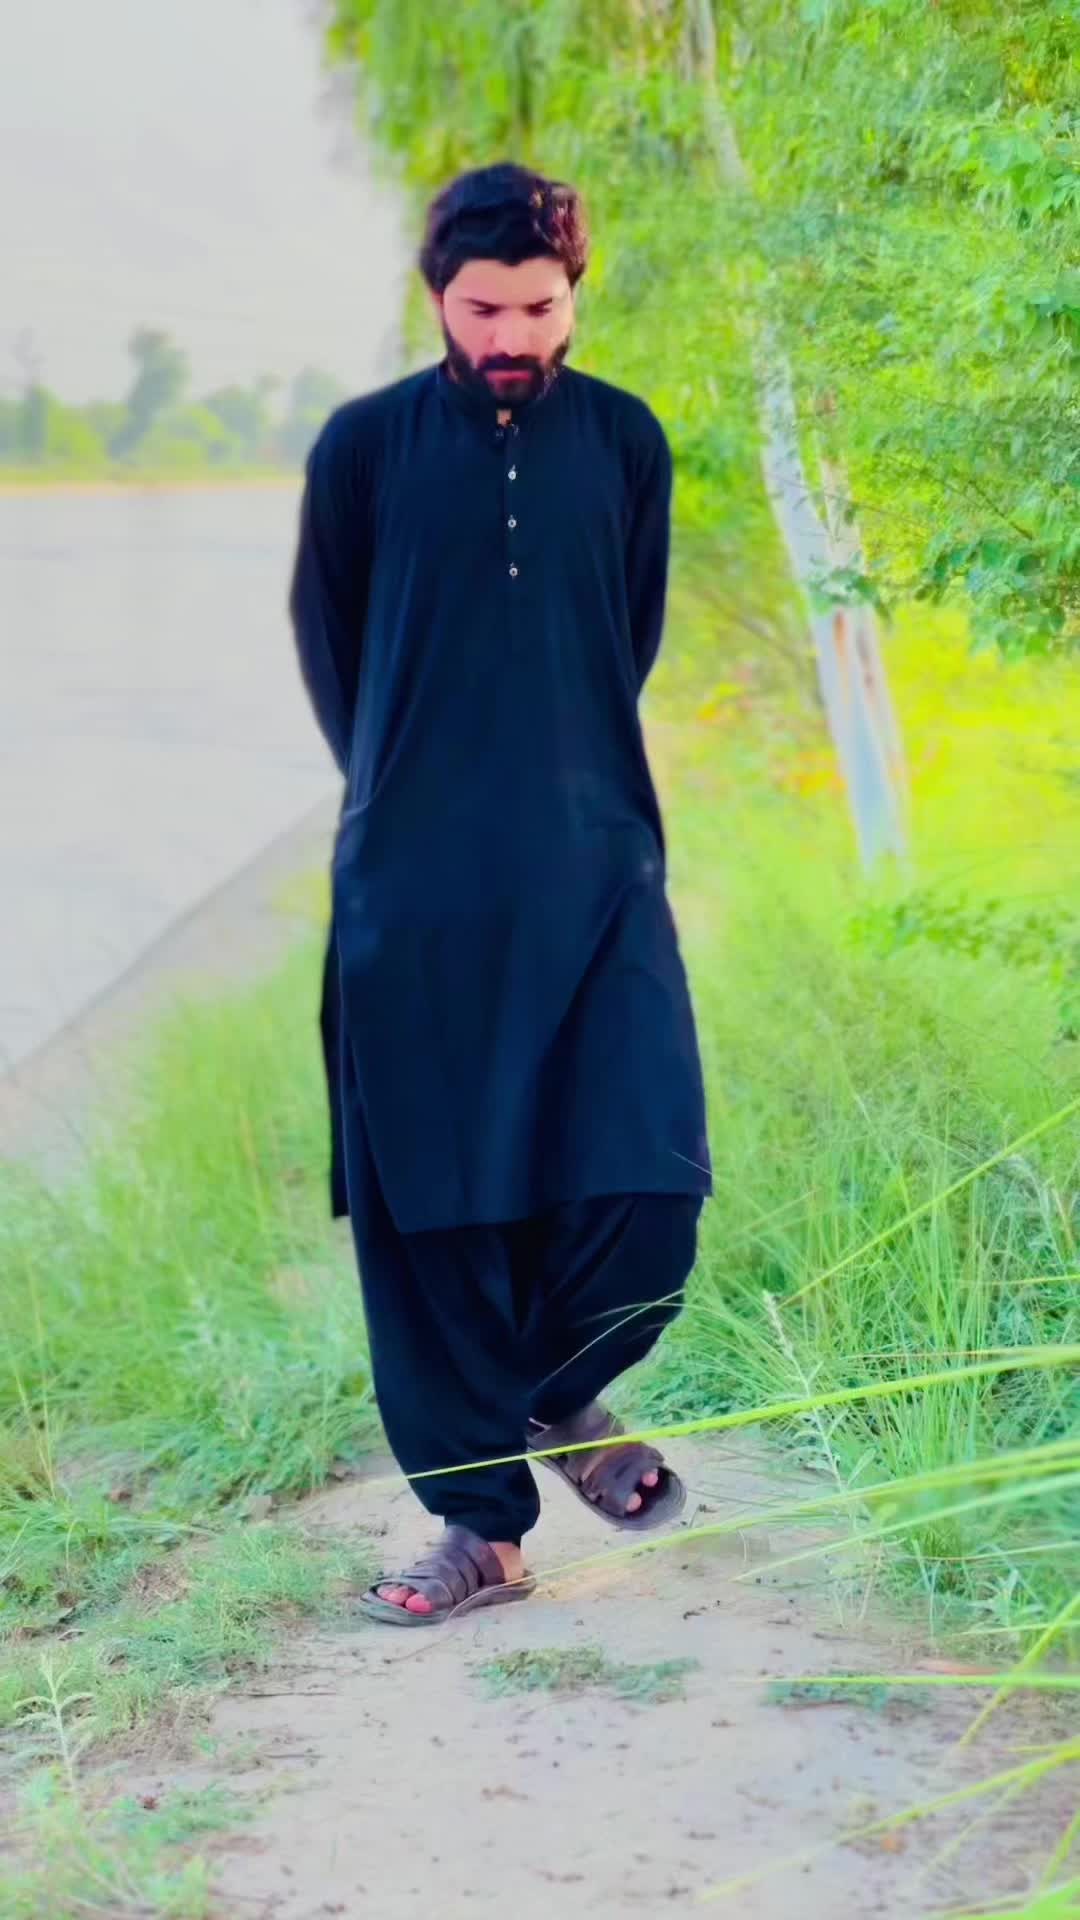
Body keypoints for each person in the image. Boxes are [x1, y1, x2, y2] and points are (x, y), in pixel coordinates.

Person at [289, 162, 711, 1626]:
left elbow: (623, 637)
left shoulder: (626, 441)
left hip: (597, 866)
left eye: (538, 308)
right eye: (483, 310)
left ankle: (545, 1398)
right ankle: (482, 1532)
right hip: (413, 888)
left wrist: (560, 797)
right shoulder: (364, 449)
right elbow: (337, 652)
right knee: (436, 1211)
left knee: (648, 1183)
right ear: (436, 300)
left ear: (572, 296)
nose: (512, 335)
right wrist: (415, 806)